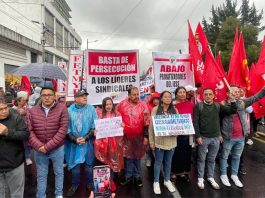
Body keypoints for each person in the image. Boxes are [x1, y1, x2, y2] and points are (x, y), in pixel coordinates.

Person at [219, 85, 265, 188]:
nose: (236, 93)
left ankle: (234, 175)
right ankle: (223, 175)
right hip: (228, 137)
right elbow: (217, 120)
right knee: (224, 156)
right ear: (227, 93)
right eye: (233, 91)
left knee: (236, 157)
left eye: (237, 91)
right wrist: (219, 134)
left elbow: (256, 97)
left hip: (241, 137)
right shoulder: (222, 104)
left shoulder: (242, 102)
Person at [28, 87, 68, 198]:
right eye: (44, 95)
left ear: (54, 96)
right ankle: (41, 195)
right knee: (41, 174)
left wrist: (47, 146)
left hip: (57, 148)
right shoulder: (33, 111)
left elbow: (63, 129)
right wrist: (39, 146)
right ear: (40, 97)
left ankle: (59, 194)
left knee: (59, 172)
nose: (46, 97)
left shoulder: (62, 109)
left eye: (49, 95)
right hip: (39, 149)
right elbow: (29, 131)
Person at [193, 87, 237, 190]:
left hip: (216, 138)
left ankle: (210, 177)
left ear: (213, 96)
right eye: (206, 94)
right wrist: (198, 136)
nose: (208, 96)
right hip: (203, 138)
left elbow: (231, 111)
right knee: (201, 159)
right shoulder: (198, 106)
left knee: (212, 159)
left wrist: (232, 100)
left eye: (210, 94)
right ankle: (200, 177)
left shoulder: (218, 106)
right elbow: (195, 122)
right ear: (202, 96)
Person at [65, 90, 98, 197]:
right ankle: (75, 184)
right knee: (75, 166)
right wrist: (74, 139)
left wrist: (86, 138)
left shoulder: (91, 109)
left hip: (87, 143)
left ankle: (89, 183)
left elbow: (94, 126)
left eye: (85, 96)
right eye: (82, 96)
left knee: (89, 164)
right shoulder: (68, 111)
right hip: (74, 144)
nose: (85, 97)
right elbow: (66, 128)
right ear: (75, 98)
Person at [116, 86, 150, 187]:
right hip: (125, 136)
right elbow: (116, 117)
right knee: (128, 157)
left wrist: (145, 136)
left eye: (137, 94)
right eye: (134, 94)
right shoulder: (121, 105)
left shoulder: (143, 105)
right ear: (129, 95)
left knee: (137, 157)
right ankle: (128, 176)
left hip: (139, 136)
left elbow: (146, 122)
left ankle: (137, 176)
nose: (136, 96)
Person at [149, 91, 177, 195]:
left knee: (168, 162)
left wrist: (178, 132)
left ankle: (167, 180)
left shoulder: (175, 110)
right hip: (159, 142)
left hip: (171, 142)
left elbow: (178, 125)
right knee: (158, 162)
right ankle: (156, 182)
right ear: (161, 98)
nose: (168, 98)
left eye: (169, 97)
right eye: (165, 97)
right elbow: (151, 127)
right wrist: (151, 141)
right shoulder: (155, 110)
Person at [0, 97, 29, 197]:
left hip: (15, 164)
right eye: (0, 109)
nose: (4, 111)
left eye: (5, 108)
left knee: (16, 194)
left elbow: (25, 134)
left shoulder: (16, 117)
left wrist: (7, 132)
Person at [171, 87, 194, 182]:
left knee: (187, 153)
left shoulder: (191, 104)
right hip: (175, 133)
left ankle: (185, 172)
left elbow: (193, 117)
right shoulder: (172, 105)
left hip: (187, 133)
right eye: (180, 92)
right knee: (175, 153)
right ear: (176, 94)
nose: (182, 94)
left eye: (184, 92)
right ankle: (174, 172)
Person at [13, 91, 32, 166]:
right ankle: (18, 158)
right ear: (19, 100)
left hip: (26, 129)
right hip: (17, 130)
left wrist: (26, 113)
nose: (26, 102)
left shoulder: (27, 107)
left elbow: (32, 116)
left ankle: (27, 157)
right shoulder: (13, 109)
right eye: (24, 100)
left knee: (27, 144)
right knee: (18, 144)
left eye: (26, 100)